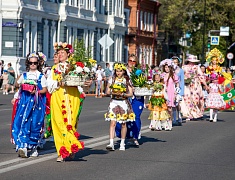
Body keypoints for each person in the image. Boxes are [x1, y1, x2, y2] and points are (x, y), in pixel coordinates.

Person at [47, 42, 84, 162]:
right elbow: (49, 86)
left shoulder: (75, 67)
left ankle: (71, 147)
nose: (60, 54)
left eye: (63, 52)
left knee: (71, 124)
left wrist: (87, 84)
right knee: (58, 124)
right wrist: (58, 83)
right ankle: (62, 152)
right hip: (58, 98)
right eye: (59, 53)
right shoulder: (54, 69)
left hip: (73, 98)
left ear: (68, 54)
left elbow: (81, 84)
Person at [11, 52, 47, 158]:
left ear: (38, 64)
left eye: (35, 63)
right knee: (21, 122)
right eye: (31, 63)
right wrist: (20, 82)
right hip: (24, 103)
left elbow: (44, 89)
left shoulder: (41, 76)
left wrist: (36, 91)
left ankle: (33, 147)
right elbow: (17, 85)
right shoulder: (24, 75)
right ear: (28, 63)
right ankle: (23, 146)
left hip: (36, 103)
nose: (33, 65)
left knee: (35, 124)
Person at [105, 63, 135, 151]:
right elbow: (107, 91)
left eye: (120, 71)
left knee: (123, 124)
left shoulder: (127, 80)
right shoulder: (112, 79)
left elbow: (130, 93)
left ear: (123, 71)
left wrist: (123, 94)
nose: (118, 73)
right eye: (117, 71)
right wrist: (112, 92)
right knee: (112, 123)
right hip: (114, 102)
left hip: (123, 102)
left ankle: (122, 143)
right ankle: (111, 143)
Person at [116, 54, 144, 146]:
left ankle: (135, 136)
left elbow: (143, 83)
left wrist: (139, 86)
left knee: (135, 116)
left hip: (137, 97)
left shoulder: (139, 72)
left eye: (133, 61)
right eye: (130, 61)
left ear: (136, 63)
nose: (131, 63)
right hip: (126, 96)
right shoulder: (124, 72)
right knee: (123, 117)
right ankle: (125, 136)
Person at [181, 55, 208, 121]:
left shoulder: (196, 67)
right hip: (187, 84)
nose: (192, 63)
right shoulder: (184, 67)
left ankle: (196, 112)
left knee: (196, 98)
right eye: (191, 61)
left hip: (195, 84)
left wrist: (205, 84)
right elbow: (181, 76)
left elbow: (200, 76)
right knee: (187, 98)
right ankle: (189, 113)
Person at [160, 59, 179, 130]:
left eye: (168, 67)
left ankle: (170, 121)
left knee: (170, 108)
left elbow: (177, 84)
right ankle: (163, 122)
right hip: (164, 92)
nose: (166, 69)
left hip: (171, 92)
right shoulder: (162, 75)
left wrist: (176, 92)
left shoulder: (173, 75)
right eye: (165, 67)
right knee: (164, 108)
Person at [171, 56, 184, 126]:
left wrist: (181, 91)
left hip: (178, 89)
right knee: (172, 104)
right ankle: (174, 119)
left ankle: (179, 116)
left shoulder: (180, 70)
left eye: (176, 62)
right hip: (171, 88)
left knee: (177, 103)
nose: (174, 63)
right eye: (173, 62)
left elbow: (182, 81)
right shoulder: (170, 70)